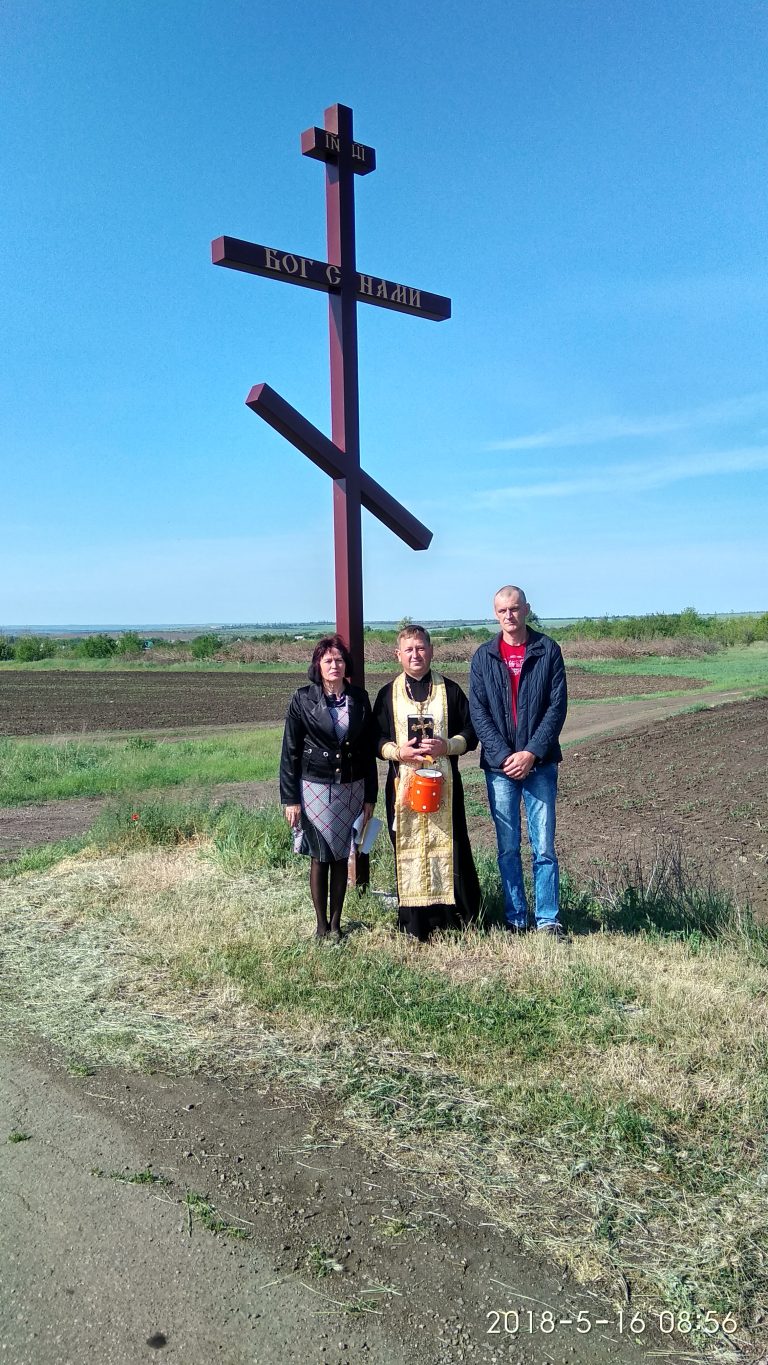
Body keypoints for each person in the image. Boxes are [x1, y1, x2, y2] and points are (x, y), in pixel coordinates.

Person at [469, 586, 567, 936]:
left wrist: (531, 752)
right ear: (495, 614)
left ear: (527, 609)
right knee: (508, 847)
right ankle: (515, 918)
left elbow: (556, 707)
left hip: (540, 764)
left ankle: (547, 919)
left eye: (514, 608)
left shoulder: (547, 650)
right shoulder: (484, 656)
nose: (509, 616)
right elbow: (478, 712)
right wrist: (504, 756)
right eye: (502, 611)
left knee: (544, 847)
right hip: (500, 769)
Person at [373, 625, 481, 940]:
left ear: (431, 651)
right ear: (398, 655)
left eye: (421, 648)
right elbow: (374, 739)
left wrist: (447, 746)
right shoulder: (387, 694)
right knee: (407, 848)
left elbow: (472, 732)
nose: (415, 655)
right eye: (409, 650)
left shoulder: (450, 691)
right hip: (403, 787)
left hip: (445, 787)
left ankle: (456, 919)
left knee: (452, 846)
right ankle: (415, 922)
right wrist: (398, 752)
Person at [280, 635, 377, 942]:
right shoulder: (302, 698)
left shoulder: (359, 698)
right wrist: (290, 799)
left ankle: (336, 925)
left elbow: (367, 750)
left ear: (345, 665)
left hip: (352, 787)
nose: (334, 665)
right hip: (315, 787)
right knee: (320, 855)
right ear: (318, 666)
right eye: (328, 660)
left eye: (339, 660)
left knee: (342, 854)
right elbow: (290, 751)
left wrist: (371, 796)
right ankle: (321, 926)